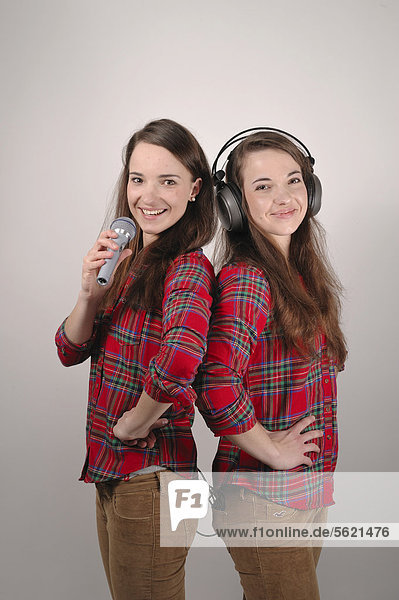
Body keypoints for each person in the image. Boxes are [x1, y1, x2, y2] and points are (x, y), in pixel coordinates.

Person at [55, 118, 217, 600]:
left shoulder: (187, 267)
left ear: (195, 190)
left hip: (155, 477)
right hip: (116, 470)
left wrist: (131, 425)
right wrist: (89, 295)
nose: (148, 195)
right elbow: (68, 350)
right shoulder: (128, 260)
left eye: (168, 180)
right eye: (138, 178)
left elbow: (181, 361)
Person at [195, 128, 347, 600]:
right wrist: (272, 450)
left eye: (294, 180)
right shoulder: (248, 280)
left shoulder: (298, 275)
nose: (285, 197)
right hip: (263, 497)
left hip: (300, 491)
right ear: (233, 204)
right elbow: (213, 380)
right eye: (262, 187)